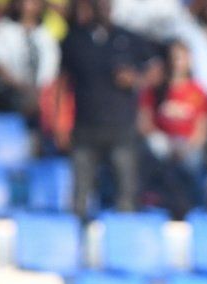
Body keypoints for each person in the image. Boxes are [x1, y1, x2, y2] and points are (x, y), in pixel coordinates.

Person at [60, 0, 154, 217]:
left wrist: (136, 79)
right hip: (84, 125)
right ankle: (77, 241)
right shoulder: (74, 39)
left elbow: (155, 68)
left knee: (126, 191)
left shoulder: (128, 38)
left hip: (121, 126)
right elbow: (62, 84)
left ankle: (124, 238)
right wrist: (60, 123)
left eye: (107, 4)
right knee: (81, 192)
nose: (103, 8)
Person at [138, 38, 207, 219]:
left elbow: (202, 130)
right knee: (155, 147)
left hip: (188, 145)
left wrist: (185, 147)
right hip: (162, 142)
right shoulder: (156, 89)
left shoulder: (199, 92)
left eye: (182, 57)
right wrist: (166, 143)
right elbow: (144, 122)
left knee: (193, 160)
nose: (177, 62)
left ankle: (192, 208)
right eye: (174, 57)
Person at [0, 0, 59, 118]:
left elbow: (50, 68)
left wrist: (38, 93)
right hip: (8, 97)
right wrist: (22, 88)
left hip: (40, 99)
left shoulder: (46, 34)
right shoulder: (3, 29)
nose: (28, 6)